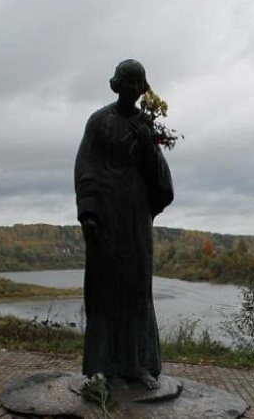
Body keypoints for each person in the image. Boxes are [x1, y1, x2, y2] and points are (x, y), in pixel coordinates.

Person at [74, 59, 174, 390]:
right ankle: (100, 367)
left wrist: (148, 145)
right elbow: (85, 166)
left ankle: (138, 365)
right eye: (127, 83)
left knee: (136, 291)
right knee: (103, 292)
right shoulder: (99, 122)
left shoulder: (145, 125)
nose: (133, 89)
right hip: (105, 216)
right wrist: (88, 211)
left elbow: (162, 180)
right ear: (117, 85)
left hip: (135, 218)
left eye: (138, 84)